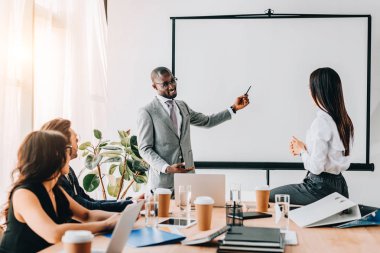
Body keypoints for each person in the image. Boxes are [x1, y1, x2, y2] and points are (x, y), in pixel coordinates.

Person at [0, 131, 121, 252]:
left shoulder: (55, 189)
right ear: (53, 156)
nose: (70, 155)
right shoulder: (24, 194)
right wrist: (107, 224)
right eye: (68, 150)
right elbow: (54, 233)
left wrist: (120, 217)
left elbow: (87, 215)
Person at [137, 66, 250, 191]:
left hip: (187, 181)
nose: (171, 86)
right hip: (162, 184)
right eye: (165, 84)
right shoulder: (147, 112)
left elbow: (207, 121)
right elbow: (144, 149)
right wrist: (167, 168)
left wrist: (233, 108)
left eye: (173, 80)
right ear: (154, 86)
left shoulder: (182, 106)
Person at [269, 67, 354, 205]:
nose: (309, 91)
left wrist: (301, 151)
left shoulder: (321, 122)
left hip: (319, 188)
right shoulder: (344, 121)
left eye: (310, 87)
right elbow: (331, 155)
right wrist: (305, 147)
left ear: (318, 91)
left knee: (268, 196)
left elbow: (316, 167)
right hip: (340, 186)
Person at [41, 118, 137, 212]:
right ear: (63, 143)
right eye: (76, 139)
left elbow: (88, 201)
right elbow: (86, 208)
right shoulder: (55, 179)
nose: (78, 141)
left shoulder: (68, 171)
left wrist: (127, 202)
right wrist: (129, 204)